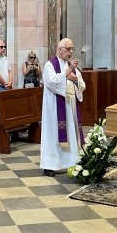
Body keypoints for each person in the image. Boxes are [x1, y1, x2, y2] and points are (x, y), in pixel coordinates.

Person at [39, 38, 86, 177]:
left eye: (72, 49)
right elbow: (51, 82)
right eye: (68, 49)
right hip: (55, 107)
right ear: (60, 49)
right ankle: (50, 165)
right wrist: (67, 72)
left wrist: (76, 79)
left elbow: (82, 84)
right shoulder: (50, 65)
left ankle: (71, 162)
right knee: (53, 134)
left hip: (70, 105)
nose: (71, 52)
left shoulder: (71, 66)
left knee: (71, 133)